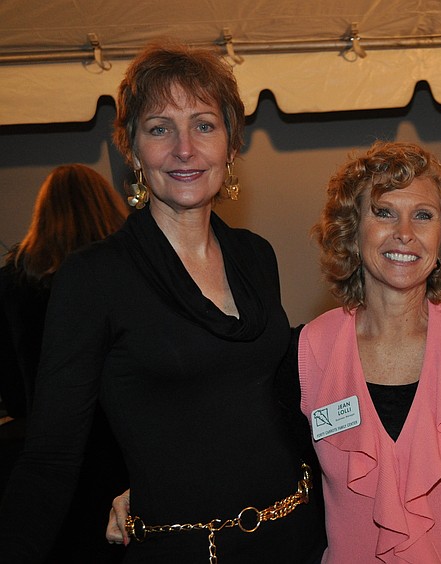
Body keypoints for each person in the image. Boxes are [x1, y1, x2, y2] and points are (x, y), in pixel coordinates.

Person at [0, 42, 325, 563]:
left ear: (230, 145)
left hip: (298, 537)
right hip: (185, 550)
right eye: (159, 129)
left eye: (204, 125)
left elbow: (270, 401)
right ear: (132, 151)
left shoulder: (255, 255)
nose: (184, 149)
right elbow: (50, 458)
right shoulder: (94, 278)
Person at [299, 141, 441, 562]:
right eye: (384, 212)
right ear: (352, 230)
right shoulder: (309, 351)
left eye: (423, 215)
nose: (404, 232)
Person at [0, 164, 129, 562]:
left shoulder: (12, 282)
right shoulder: (127, 273)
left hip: (45, 452)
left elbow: (12, 388)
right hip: (121, 451)